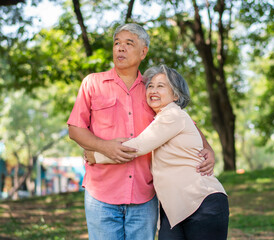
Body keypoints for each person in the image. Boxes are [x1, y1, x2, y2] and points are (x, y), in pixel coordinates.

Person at [67, 23, 216, 240]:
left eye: (129, 43)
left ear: (143, 52)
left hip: (143, 195)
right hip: (100, 193)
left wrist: (208, 148)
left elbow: (184, 121)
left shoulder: (153, 89)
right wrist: (103, 147)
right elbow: (74, 129)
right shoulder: (93, 83)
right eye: (117, 43)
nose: (120, 48)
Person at [86, 65, 229, 240]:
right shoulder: (162, 119)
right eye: (151, 86)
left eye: (161, 86)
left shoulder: (173, 115)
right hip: (174, 210)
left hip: (201, 203)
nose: (153, 90)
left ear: (176, 95)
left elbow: (137, 146)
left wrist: (95, 155)